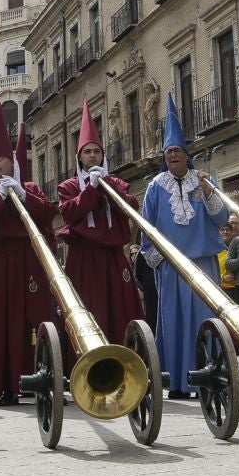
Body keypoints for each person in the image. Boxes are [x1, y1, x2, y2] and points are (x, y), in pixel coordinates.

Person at [0, 95, 55, 406]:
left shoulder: (28, 188)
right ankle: (0, 382)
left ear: (13, 162)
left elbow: (46, 214)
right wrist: (0, 197)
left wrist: (20, 193)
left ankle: (30, 377)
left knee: (25, 320)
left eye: (1, 159)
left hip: (25, 261)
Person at [142, 95, 230, 400]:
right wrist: (158, 260)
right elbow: (147, 229)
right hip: (171, 267)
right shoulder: (155, 187)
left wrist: (207, 191)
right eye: (167, 151)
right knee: (174, 321)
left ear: (187, 153)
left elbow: (222, 217)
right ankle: (178, 381)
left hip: (204, 263)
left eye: (177, 150)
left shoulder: (204, 181)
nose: (172, 155)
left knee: (206, 320)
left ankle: (211, 376)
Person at [55, 100, 144, 341]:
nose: (92, 156)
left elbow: (131, 207)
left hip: (114, 257)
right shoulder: (69, 186)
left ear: (102, 155)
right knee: (88, 309)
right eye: (87, 152)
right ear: (79, 157)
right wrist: (91, 190)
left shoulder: (116, 183)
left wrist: (106, 187)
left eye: (96, 151)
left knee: (120, 309)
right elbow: (70, 212)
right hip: (83, 259)